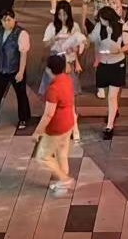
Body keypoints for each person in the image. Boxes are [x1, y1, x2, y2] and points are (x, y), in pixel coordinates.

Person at [29, 53, 77, 194]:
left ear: (49, 70)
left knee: (43, 157)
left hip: (56, 128)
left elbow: (48, 114)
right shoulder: (68, 79)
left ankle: (64, 179)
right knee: (61, 153)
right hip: (68, 123)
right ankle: (63, 184)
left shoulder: (53, 89)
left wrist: (37, 132)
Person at [0, 10, 33, 133]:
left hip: (15, 69)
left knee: (21, 95)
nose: (7, 23)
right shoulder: (0, 31)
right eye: (4, 20)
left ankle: (24, 118)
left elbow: (23, 54)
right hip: (1, 69)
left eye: (9, 20)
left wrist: (21, 72)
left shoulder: (21, 34)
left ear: (14, 19)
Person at [89, 7, 128, 139]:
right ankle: (113, 110)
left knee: (112, 96)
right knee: (109, 95)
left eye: (104, 20)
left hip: (117, 64)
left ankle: (109, 126)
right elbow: (93, 39)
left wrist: (119, 50)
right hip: (103, 64)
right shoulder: (98, 27)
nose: (102, 22)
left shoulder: (121, 26)